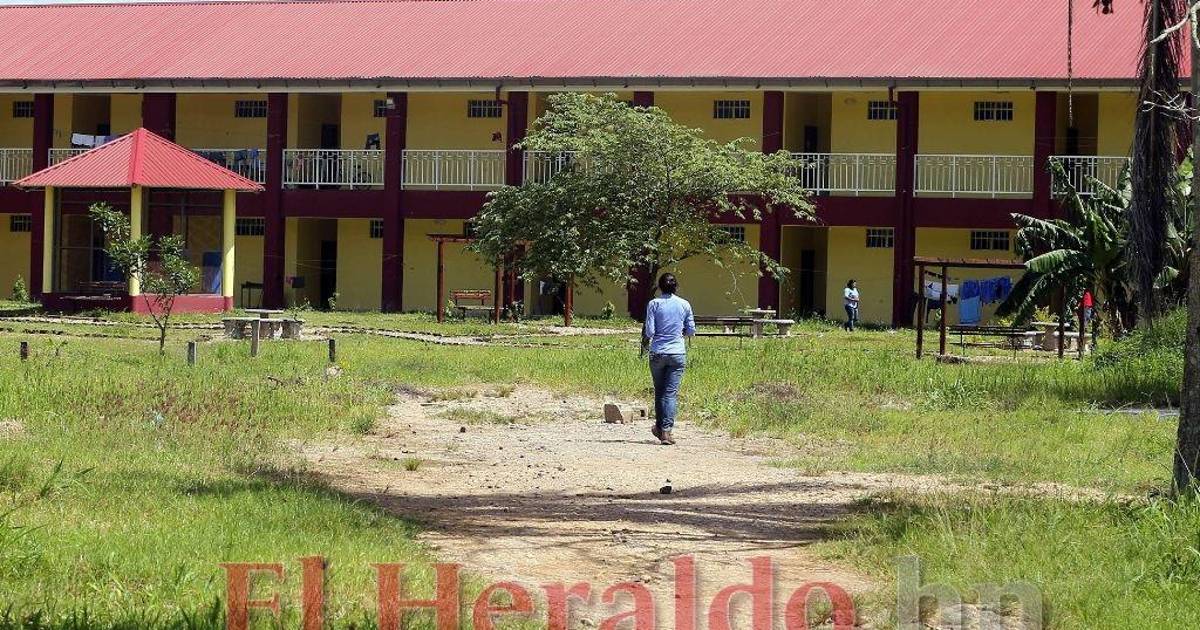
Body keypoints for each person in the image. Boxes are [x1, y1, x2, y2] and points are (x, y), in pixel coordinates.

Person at [642, 272, 695, 446]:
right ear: (676, 286)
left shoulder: (654, 304)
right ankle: (666, 430)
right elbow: (691, 330)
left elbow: (650, 331)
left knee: (659, 392)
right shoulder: (684, 304)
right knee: (670, 393)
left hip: (658, 352)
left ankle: (660, 428)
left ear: (659, 287)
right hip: (677, 353)